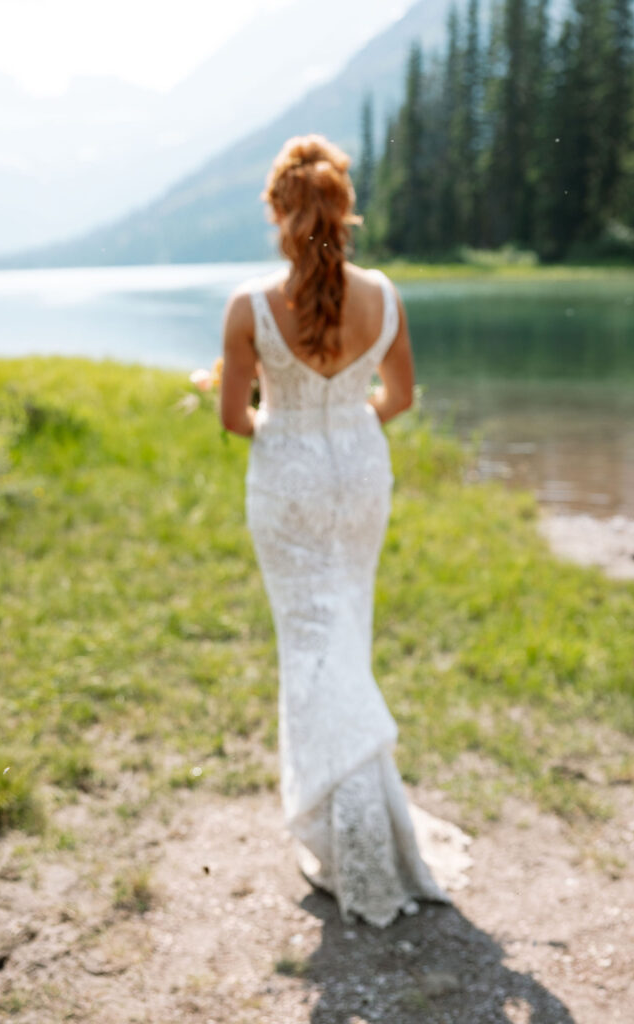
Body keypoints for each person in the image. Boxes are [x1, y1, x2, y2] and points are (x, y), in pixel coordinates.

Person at [219, 134, 450, 927]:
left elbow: (234, 420)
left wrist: (286, 426)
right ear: (343, 210)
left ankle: (340, 827)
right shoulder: (383, 294)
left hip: (285, 484)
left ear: (280, 213)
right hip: (359, 479)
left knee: (309, 646)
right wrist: (348, 428)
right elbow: (402, 397)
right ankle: (357, 816)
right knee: (344, 635)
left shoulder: (249, 307)